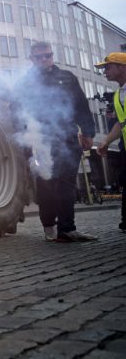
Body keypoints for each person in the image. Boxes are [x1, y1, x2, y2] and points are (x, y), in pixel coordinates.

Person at [16, 41, 98, 242]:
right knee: (46, 184)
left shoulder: (67, 77)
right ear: (31, 59)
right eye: (39, 57)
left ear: (52, 55)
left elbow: (81, 105)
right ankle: (49, 226)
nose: (45, 59)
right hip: (40, 141)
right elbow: (17, 113)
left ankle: (67, 229)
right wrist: (25, 142)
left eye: (48, 55)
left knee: (66, 183)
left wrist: (88, 132)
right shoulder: (24, 83)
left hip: (67, 138)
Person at [94, 52, 126, 232]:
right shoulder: (118, 95)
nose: (104, 71)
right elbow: (122, 123)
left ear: (122, 67)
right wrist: (105, 141)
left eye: (108, 67)